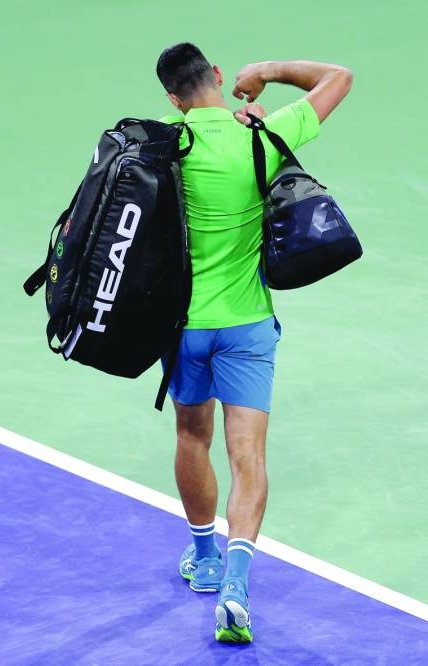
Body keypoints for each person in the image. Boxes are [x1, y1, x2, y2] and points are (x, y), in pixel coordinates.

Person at [155, 43, 353, 643]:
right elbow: (338, 78)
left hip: (183, 324)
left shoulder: (164, 141)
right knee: (250, 458)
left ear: (173, 98)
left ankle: (205, 559)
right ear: (216, 76)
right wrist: (265, 74)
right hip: (247, 325)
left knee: (193, 434)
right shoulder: (262, 132)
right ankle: (238, 586)